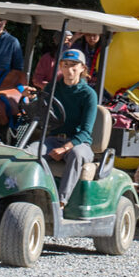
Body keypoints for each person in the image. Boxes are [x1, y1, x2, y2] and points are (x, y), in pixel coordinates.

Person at [38, 48, 98, 205]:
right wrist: (27, 100)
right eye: (65, 65)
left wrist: (65, 148)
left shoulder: (88, 94)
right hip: (52, 139)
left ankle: (60, 202)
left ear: (82, 68)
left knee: (76, 155)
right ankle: (34, 195)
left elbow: (86, 132)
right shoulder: (52, 89)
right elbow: (40, 113)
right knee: (31, 152)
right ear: (60, 66)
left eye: (74, 65)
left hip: (78, 143)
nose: (69, 69)